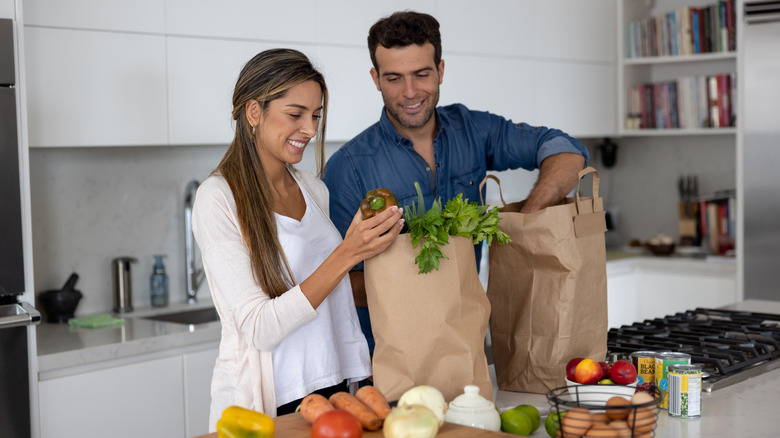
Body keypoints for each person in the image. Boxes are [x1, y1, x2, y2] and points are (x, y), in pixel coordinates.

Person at [322, 11, 590, 353]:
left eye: (421, 74)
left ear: (441, 71)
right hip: (390, 357)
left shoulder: (473, 131)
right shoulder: (348, 167)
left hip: (467, 343)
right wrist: (422, 286)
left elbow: (565, 150)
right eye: (394, 78)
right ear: (375, 78)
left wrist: (529, 218)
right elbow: (340, 281)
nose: (410, 92)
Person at [191, 48, 404, 426]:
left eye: (316, 115)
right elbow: (259, 327)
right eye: (295, 114)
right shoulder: (219, 198)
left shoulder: (313, 189)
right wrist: (348, 252)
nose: (310, 129)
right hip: (274, 402)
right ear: (254, 112)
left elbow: (335, 297)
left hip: (337, 387)